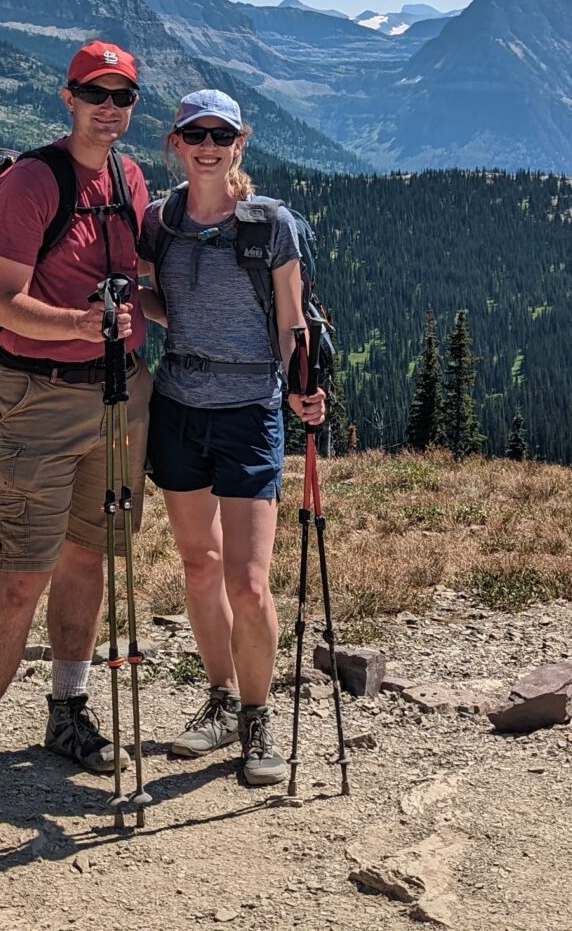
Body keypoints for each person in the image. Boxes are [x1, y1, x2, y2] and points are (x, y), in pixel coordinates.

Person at [0, 41, 154, 826]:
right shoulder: (30, 182)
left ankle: (68, 710)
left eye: (122, 96)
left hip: (121, 398)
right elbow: (3, 305)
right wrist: (88, 324)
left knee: (90, 555)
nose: (110, 107)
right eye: (96, 92)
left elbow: (139, 285)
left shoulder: (129, 178)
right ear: (68, 96)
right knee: (22, 571)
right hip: (40, 397)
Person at [136, 89, 325, 788]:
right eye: (195, 134)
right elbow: (162, 302)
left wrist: (303, 385)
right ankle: (219, 698)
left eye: (222, 135)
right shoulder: (161, 222)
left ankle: (256, 713)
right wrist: (128, 298)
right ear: (177, 143)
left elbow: (290, 315)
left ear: (240, 143)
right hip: (180, 407)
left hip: (250, 409)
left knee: (248, 583)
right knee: (198, 566)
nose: (208, 146)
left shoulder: (269, 224)